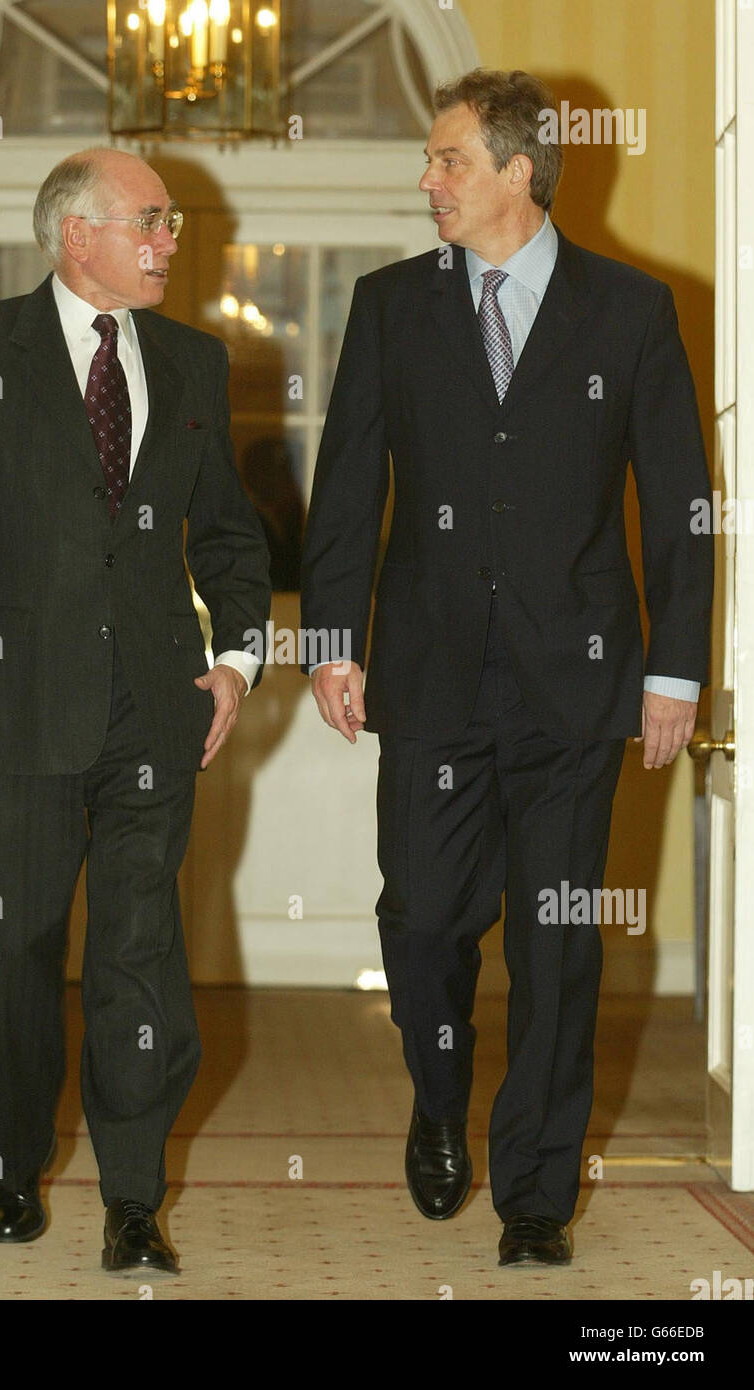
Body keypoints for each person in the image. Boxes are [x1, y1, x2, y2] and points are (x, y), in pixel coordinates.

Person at [300, 69, 713, 1267]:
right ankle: (441, 1100)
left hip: (580, 691)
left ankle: (535, 1190)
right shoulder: (390, 306)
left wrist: (674, 673)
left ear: (518, 174)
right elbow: (347, 490)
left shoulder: (632, 311)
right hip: (429, 679)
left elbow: (682, 506)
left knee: (556, 936)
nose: (426, 180)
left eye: (447, 161)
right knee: (423, 921)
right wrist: (332, 642)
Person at [0, 147, 271, 1276]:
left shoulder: (191, 360)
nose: (169, 240)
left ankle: (135, 1196)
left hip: (157, 707)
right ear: (75, 233)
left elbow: (229, 533)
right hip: (7, 702)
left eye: (172, 223)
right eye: (150, 220)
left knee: (141, 953)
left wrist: (237, 659)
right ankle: (12, 1164)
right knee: (20, 952)